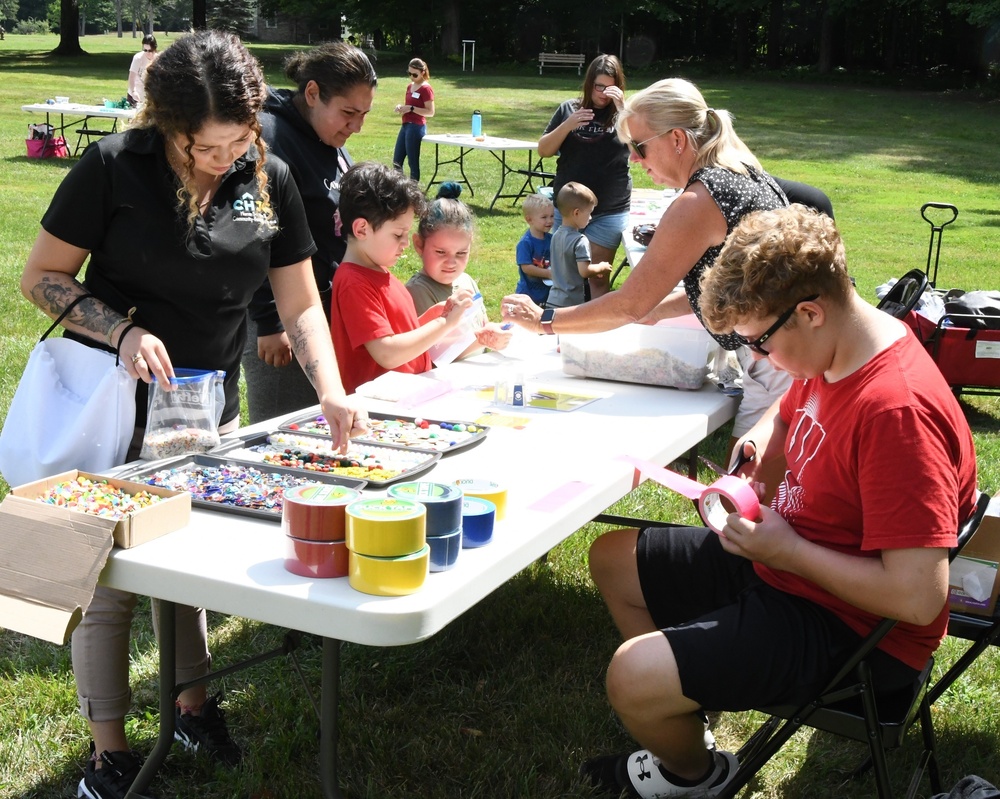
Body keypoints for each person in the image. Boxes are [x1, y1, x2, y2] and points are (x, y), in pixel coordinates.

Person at [19, 31, 366, 799]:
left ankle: (193, 704)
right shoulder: (114, 166)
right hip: (113, 405)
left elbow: (300, 299)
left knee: (191, 565)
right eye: (207, 146)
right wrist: (122, 329)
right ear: (167, 126)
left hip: (209, 403)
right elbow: (40, 276)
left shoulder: (265, 172)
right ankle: (110, 751)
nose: (226, 157)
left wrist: (332, 386)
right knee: (106, 577)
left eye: (239, 139)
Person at [581, 204, 978, 798]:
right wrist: (764, 434)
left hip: (855, 629)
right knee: (613, 558)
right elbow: (795, 399)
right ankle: (691, 702)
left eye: (759, 344)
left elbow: (919, 599)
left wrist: (787, 550)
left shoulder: (897, 412)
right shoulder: (842, 345)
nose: (760, 362)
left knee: (632, 676)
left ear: (810, 312)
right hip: (788, 561)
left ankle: (694, 776)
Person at [503, 77, 792, 465]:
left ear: (676, 139)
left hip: (781, 361)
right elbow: (728, 286)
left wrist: (545, 320)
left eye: (639, 147)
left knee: (745, 500)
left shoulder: (698, 200)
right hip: (786, 353)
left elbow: (629, 304)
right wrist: (657, 311)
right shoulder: (738, 170)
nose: (635, 160)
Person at [243, 40, 377, 423]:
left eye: (364, 114)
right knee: (285, 429)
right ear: (313, 93)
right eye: (348, 113)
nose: (356, 126)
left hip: (323, 313)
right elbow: (255, 233)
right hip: (281, 325)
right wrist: (269, 321)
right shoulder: (271, 137)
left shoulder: (328, 139)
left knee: (324, 421)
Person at [330, 161, 474, 394]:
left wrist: (434, 317)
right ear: (362, 230)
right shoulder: (353, 282)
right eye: (398, 234)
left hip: (404, 401)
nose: (406, 243)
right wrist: (444, 323)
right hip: (379, 412)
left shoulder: (379, 271)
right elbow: (387, 352)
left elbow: (398, 334)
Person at [538, 54, 631, 291]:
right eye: (598, 86)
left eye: (610, 88)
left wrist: (623, 111)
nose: (602, 93)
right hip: (569, 210)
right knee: (564, 277)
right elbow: (544, 150)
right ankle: (561, 324)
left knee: (597, 278)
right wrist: (568, 124)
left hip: (608, 210)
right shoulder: (568, 108)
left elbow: (640, 151)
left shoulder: (627, 115)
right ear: (589, 83)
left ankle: (597, 327)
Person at [405, 183, 513, 359]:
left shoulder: (466, 281)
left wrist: (498, 331)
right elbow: (434, 354)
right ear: (419, 244)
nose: (451, 262)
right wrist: (484, 340)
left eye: (461, 253)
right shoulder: (417, 292)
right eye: (441, 252)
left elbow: (482, 324)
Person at [547, 182, 613, 309]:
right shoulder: (580, 240)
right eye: (589, 213)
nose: (590, 218)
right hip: (572, 303)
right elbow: (584, 271)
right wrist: (601, 267)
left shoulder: (555, 236)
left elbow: (568, 266)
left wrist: (593, 273)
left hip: (553, 300)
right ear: (576, 213)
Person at [392, 57, 434, 181]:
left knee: (412, 162)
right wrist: (401, 107)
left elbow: (430, 112)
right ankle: (397, 190)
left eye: (414, 74)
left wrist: (411, 108)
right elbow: (409, 106)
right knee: (397, 161)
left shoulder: (426, 89)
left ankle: (414, 192)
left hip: (416, 126)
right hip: (405, 125)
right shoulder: (410, 86)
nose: (411, 77)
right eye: (409, 73)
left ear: (422, 72)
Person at [514, 192, 555, 306]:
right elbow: (526, 267)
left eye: (552, 216)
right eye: (544, 217)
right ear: (529, 219)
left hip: (548, 292)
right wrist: (548, 274)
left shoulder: (551, 239)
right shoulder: (525, 243)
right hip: (528, 294)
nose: (550, 221)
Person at [126, 34, 157, 107]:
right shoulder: (138, 58)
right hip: (135, 95)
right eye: (145, 50)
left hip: (149, 97)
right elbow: (131, 77)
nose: (147, 53)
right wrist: (133, 91)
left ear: (154, 48)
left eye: (150, 50)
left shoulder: (157, 59)